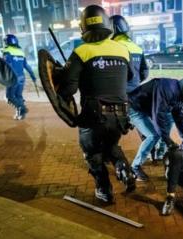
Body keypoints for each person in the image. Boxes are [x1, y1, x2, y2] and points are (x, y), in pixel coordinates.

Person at [57, 5, 135, 203]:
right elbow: (131, 76)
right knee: (111, 145)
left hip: (94, 117)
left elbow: (68, 90)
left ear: (83, 27)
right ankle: (123, 168)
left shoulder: (81, 51)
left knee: (92, 153)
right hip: (122, 116)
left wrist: (63, 75)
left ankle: (104, 190)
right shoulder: (123, 50)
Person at [128, 78, 183, 181]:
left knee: (165, 125)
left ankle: (157, 154)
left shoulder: (178, 93)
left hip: (146, 108)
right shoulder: (168, 90)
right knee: (153, 135)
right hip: (134, 107)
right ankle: (134, 168)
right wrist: (168, 141)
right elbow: (158, 115)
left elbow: (179, 116)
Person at [110, 14, 148, 93]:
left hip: (118, 92)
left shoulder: (111, 48)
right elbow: (145, 72)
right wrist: (135, 82)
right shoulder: (138, 48)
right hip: (135, 91)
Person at [3, 34, 36, 120]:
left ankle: (22, 108)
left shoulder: (7, 51)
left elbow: (7, 66)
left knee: (9, 97)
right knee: (18, 96)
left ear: (6, 42)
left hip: (12, 78)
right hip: (22, 77)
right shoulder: (21, 52)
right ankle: (20, 115)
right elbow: (26, 66)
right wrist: (33, 76)